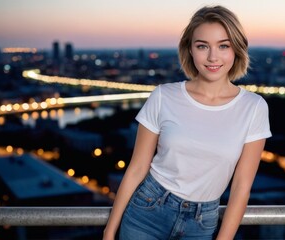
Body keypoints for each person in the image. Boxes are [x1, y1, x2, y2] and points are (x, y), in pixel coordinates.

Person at [103, 5, 271, 240]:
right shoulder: (163, 96)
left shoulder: (254, 108)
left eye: (223, 46)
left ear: (237, 49)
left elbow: (241, 187)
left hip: (202, 223)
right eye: (202, 46)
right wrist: (109, 231)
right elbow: (137, 168)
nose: (213, 57)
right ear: (190, 50)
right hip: (148, 211)